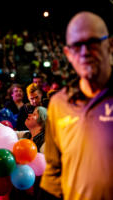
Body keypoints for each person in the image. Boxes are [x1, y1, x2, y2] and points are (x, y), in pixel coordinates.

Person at [40, 11, 113, 200]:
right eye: (76, 45)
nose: (84, 51)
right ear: (68, 54)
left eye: (92, 43)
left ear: (109, 45)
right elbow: (53, 172)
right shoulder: (58, 104)